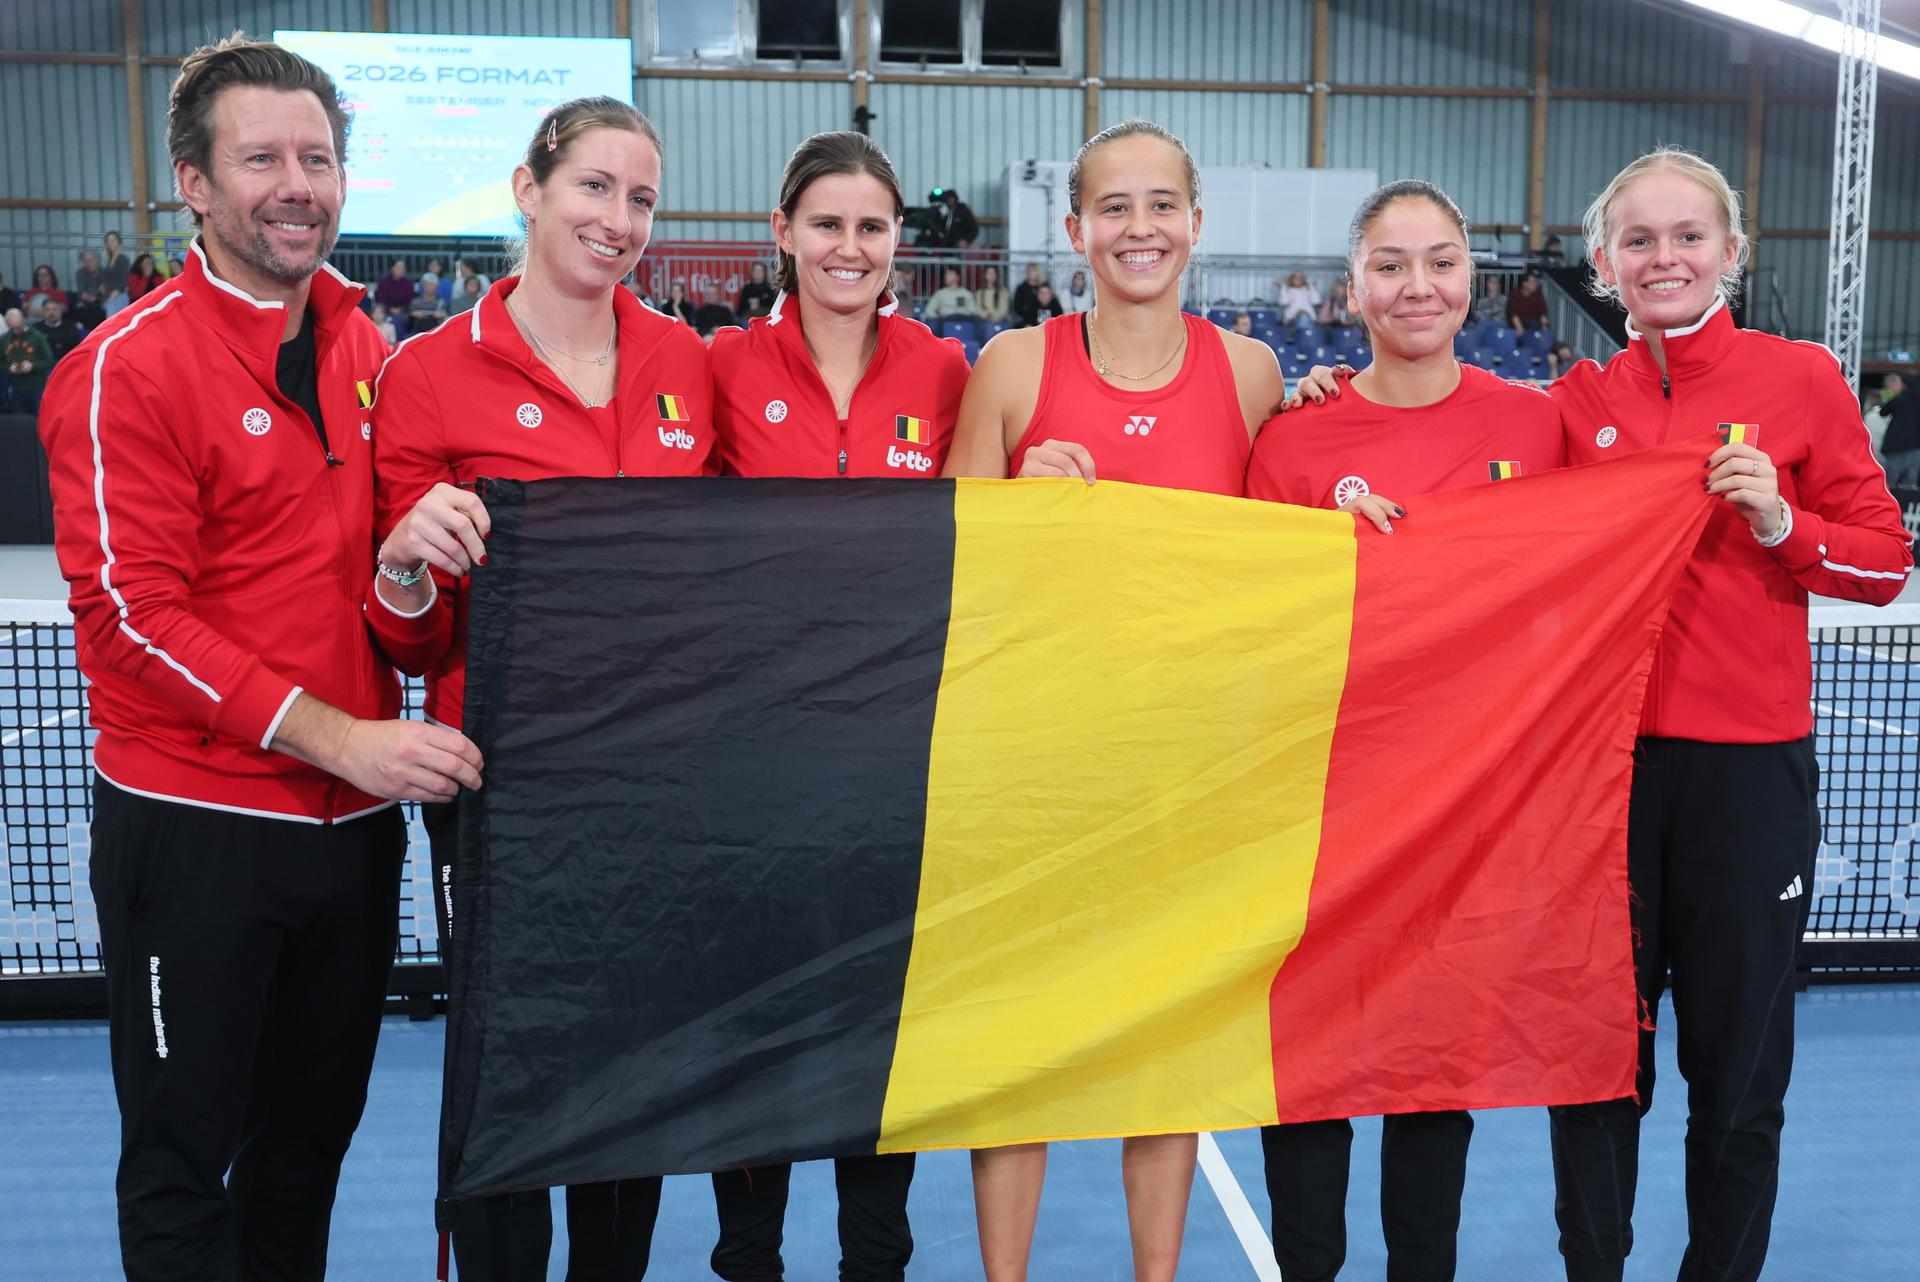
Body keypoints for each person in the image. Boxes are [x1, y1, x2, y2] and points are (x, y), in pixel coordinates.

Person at [37, 34, 482, 1280]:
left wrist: (407, 582)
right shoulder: (123, 369)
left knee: (306, 1154)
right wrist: (344, 737)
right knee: (186, 1163)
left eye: (320, 157)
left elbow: (395, 612)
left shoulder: (375, 356)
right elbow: (131, 619)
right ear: (194, 183)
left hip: (356, 837)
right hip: (198, 833)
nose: (298, 183)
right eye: (262, 158)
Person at [1539, 147, 1911, 1282]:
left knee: (1741, 1081)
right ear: (1606, 263)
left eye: (1688, 236)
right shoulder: (1573, 402)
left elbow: (1885, 563)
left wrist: (1781, 527)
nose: (1665, 258)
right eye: (1639, 241)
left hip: (1749, 785)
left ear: (1732, 253)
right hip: (1603, 788)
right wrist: (1324, 406)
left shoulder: (1799, 381)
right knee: (1596, 1073)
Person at [367, 95, 714, 1282]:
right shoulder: (426, 376)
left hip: (656, 790)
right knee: (509, 1078)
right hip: (497, 795)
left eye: (641, 198)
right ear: (529, 189)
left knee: (637, 1073)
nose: (619, 220)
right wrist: (405, 558)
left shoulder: (685, 362)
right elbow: (411, 644)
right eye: (594, 188)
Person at [944, 119, 1285, 1282]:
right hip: (1033, 772)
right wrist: (1014, 507)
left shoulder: (1252, 373)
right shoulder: (1013, 369)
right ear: (1075, 226)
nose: (1139, 229)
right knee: (1017, 1052)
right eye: (1115, 208)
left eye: (1162, 205)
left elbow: (1285, 558)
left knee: (1168, 1058)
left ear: (1197, 222)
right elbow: (940, 575)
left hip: (1184, 776)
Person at [1247, 180, 1562, 1282]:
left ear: (1472, 280)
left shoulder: (1541, 423)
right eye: (1390, 264)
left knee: (1433, 1083)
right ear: (1351, 289)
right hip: (1316, 818)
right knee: (1311, 1078)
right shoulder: (1290, 439)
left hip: (1464, 821)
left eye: (1438, 261)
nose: (1416, 285)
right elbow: (1243, 617)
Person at [706, 129, 971, 1282]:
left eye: (870, 227)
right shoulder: (714, 366)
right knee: (758, 1030)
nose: (848, 248)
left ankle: (878, 1263)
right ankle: (748, 1261)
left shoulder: (945, 372)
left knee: (877, 1035)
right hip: (753, 770)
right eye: (826, 225)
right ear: (783, 233)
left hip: (893, 769)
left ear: (896, 242)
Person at [3, 306, 54, 413]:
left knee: (39, 420)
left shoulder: (37, 337)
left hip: (37, 387)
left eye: (18, 327)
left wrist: (33, 366)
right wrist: (9, 368)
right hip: (16, 388)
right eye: (13, 328)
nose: (16, 331)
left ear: (23, 320)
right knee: (20, 422)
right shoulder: (4, 339)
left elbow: (49, 361)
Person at [1879, 369, 1920, 484]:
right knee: (1911, 487)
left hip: (1896, 448)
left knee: (1889, 486)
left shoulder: (1901, 398)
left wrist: (1894, 394)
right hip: (1916, 448)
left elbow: (1883, 411)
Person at [36, 297, 85, 362]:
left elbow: (75, 351)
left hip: (66, 362)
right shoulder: (36, 329)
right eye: (47, 310)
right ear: (42, 311)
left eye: (55, 309)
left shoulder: (71, 328)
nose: (51, 313)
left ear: (60, 310)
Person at [102, 229, 132, 312]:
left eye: (113, 240)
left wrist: (118, 291)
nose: (110, 243)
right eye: (108, 241)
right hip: (109, 295)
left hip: (118, 295)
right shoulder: (107, 260)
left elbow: (125, 277)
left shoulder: (122, 258)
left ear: (119, 242)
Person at [1011, 262, 1047, 327]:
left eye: (1033, 270)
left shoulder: (1044, 287)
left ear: (1038, 272)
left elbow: (1049, 303)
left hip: (1041, 317)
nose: (1030, 272)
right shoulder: (1021, 288)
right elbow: (1016, 307)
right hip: (1025, 318)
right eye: (1029, 270)